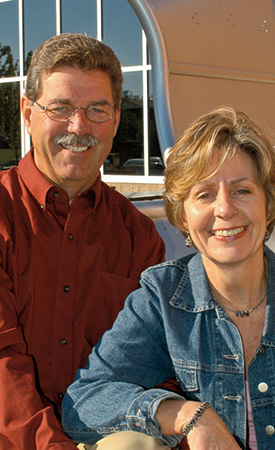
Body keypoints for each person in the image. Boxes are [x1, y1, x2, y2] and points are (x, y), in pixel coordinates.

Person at [62, 105, 275, 450]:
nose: (224, 209)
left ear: (269, 202)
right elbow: (84, 403)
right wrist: (187, 414)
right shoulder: (164, 298)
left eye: (242, 190)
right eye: (204, 194)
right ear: (183, 215)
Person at [0, 33, 165, 449]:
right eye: (61, 108)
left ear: (114, 121)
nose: (79, 127)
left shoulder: (138, 236)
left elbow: (151, 363)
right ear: (27, 113)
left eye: (97, 110)